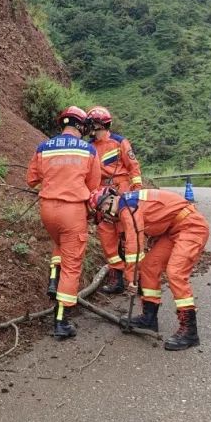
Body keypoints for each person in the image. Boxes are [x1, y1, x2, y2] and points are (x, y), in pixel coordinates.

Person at [90, 187, 210, 351]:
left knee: (175, 273)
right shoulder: (127, 204)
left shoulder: (127, 209)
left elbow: (134, 246)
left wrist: (132, 280)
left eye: (102, 209)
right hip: (172, 229)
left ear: (110, 200)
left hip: (191, 226)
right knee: (148, 267)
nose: (104, 214)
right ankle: (149, 318)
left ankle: (189, 331)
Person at [26, 106, 101, 339]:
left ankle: (52, 280)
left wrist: (51, 187)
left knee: (60, 243)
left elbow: (31, 180)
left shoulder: (43, 147)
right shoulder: (88, 150)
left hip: (47, 210)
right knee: (72, 264)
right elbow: (93, 187)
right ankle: (61, 321)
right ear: (81, 126)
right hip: (73, 211)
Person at [84, 106, 143, 295]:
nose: (90, 129)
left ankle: (136, 279)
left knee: (128, 236)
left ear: (100, 124)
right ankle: (116, 279)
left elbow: (133, 167)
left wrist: (137, 191)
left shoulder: (119, 142)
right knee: (106, 237)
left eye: (92, 125)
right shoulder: (89, 147)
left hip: (123, 191)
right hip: (102, 195)